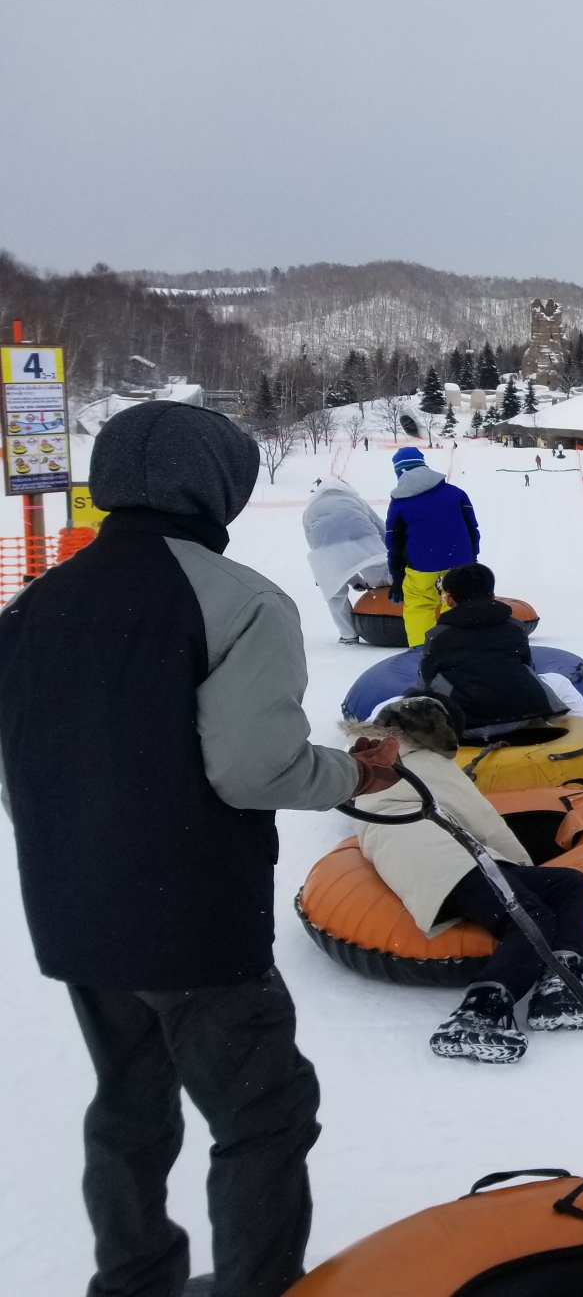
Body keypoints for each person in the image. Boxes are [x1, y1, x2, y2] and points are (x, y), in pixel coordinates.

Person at [0, 402, 402, 1297]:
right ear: (218, 486)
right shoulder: (241, 600)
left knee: (128, 1106)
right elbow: (256, 767)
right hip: (192, 919)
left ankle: (133, 1279)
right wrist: (354, 775)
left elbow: (15, 760)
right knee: (264, 1116)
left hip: (73, 910)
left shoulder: (35, 604)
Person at [345, 696, 583, 1064]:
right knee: (529, 918)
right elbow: (484, 821)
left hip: (433, 853)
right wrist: (522, 867)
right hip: (438, 854)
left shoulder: (373, 765)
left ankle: (561, 983)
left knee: (568, 883)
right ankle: (478, 1013)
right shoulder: (423, 762)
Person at [417, 563, 583, 730]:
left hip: (466, 725)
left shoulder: (436, 635)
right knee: (559, 681)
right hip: (521, 717)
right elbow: (528, 665)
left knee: (408, 698)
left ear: (449, 599)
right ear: (493, 595)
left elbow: (426, 682)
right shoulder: (516, 627)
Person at [385, 446, 481, 646]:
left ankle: (421, 653)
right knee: (457, 602)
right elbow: (472, 528)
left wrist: (397, 578)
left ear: (399, 472)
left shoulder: (400, 503)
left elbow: (394, 542)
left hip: (421, 565)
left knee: (419, 605)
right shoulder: (456, 494)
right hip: (460, 562)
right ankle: (457, 648)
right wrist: (473, 560)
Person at [301, 476, 390, 643]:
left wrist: (326, 575)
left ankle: (348, 635)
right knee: (382, 577)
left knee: (335, 595)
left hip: (325, 550)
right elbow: (379, 526)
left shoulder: (310, 509)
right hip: (365, 540)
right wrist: (390, 555)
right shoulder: (354, 500)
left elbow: (312, 543)